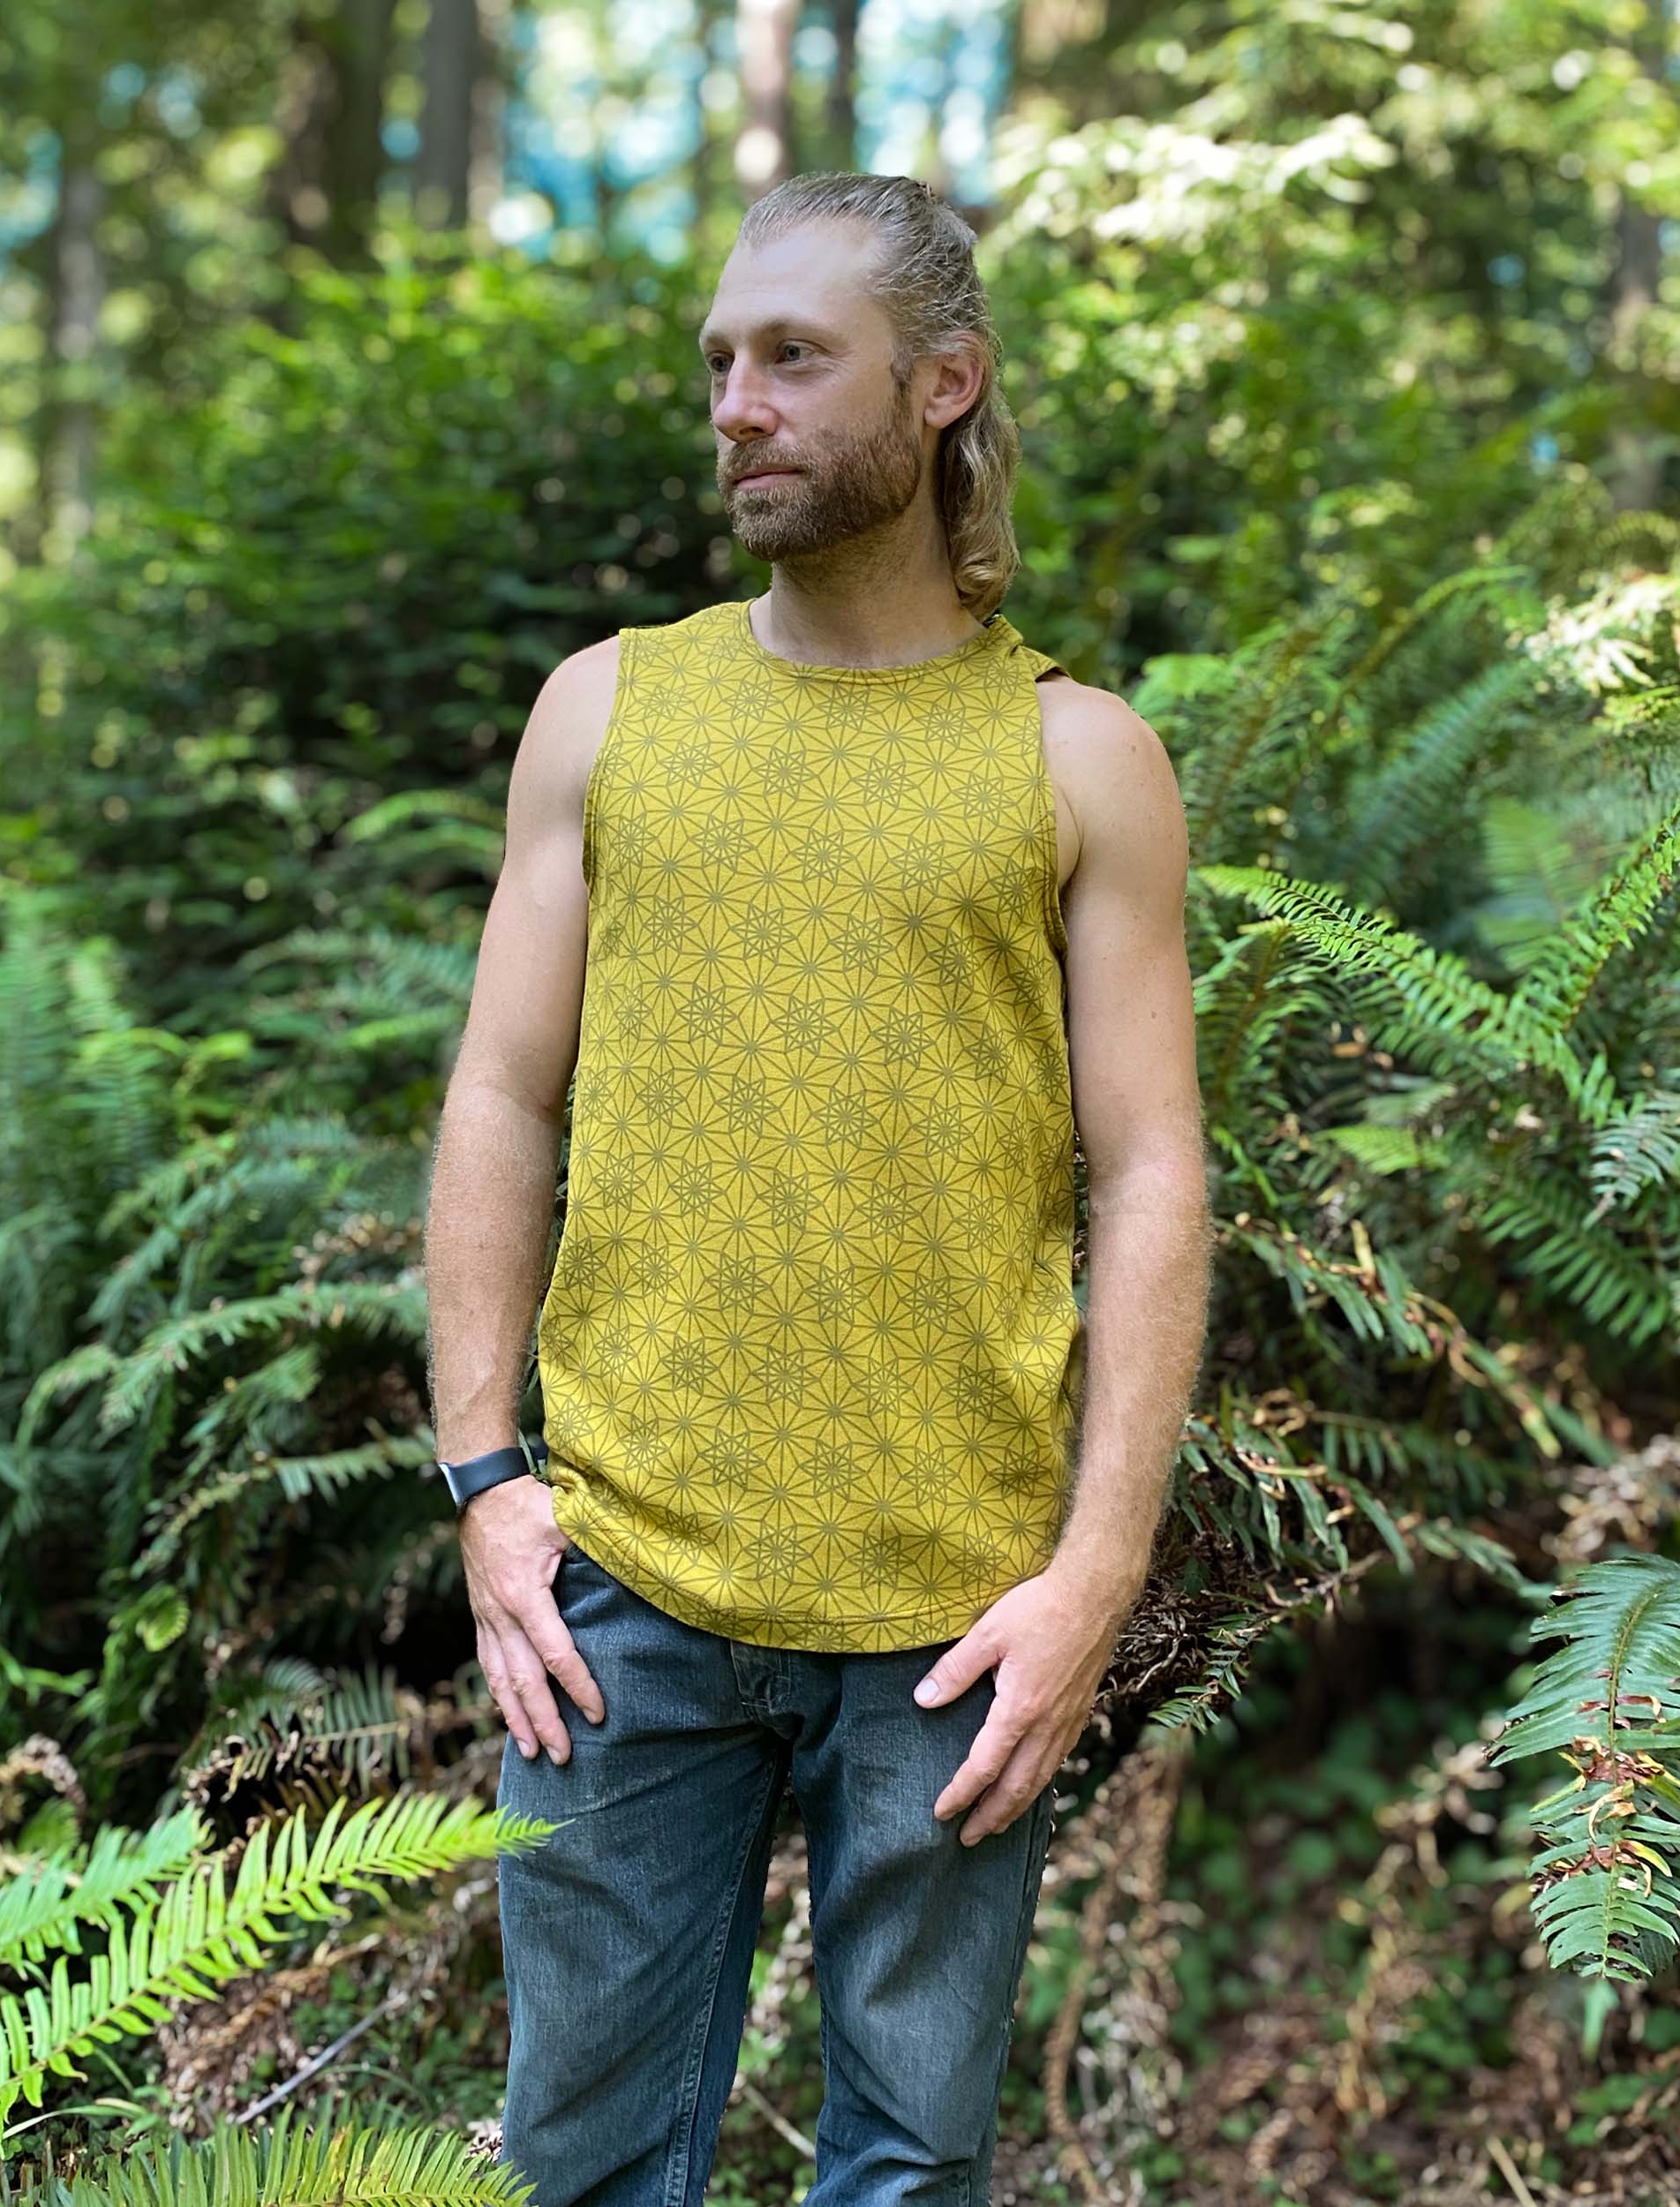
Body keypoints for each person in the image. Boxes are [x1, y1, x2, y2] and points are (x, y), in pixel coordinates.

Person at [424, 169, 1210, 2207]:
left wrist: (1094, 1574)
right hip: (623, 1584)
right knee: (580, 2165)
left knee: (903, 2171)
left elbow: (1146, 1177)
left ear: (942, 384)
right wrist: (483, 1476)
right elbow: (505, 1095)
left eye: (793, 358)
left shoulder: (1077, 759)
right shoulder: (613, 707)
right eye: (718, 362)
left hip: (956, 1614)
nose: (736, 405)